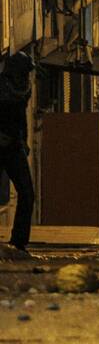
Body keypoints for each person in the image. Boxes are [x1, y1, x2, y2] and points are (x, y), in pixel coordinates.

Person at [0, 52, 35, 257]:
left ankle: (19, 242)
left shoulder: (23, 89)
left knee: (27, 193)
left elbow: (21, 117)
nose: (26, 78)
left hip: (14, 145)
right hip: (5, 143)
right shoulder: (3, 87)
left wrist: (24, 140)